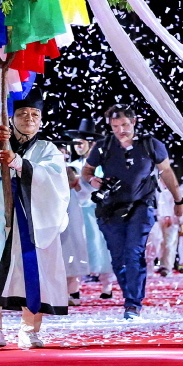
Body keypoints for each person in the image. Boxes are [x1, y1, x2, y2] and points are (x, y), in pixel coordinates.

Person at [0, 92, 70, 348]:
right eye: (22, 114)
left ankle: (29, 330)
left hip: (33, 224)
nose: (29, 118)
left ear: (41, 120)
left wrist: (20, 164)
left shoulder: (47, 149)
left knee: (33, 272)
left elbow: (56, 182)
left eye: (34, 114)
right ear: (10, 118)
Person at [81, 106, 183, 319]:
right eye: (116, 126)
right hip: (110, 209)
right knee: (118, 257)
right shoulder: (104, 146)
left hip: (142, 205)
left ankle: (133, 303)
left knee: (133, 252)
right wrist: (92, 180)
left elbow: (167, 172)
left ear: (134, 122)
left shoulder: (151, 145)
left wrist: (179, 200)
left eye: (125, 125)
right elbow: (86, 170)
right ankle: (130, 297)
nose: (121, 130)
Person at [64, 119, 115, 297]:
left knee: (101, 247)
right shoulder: (72, 166)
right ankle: (74, 287)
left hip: (96, 211)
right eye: (76, 143)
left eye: (81, 143)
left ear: (91, 144)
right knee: (76, 247)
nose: (78, 146)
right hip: (75, 214)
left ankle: (107, 285)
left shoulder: (100, 167)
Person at [60, 166, 91, 304]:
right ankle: (65, 294)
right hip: (60, 233)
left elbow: (87, 195)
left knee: (74, 260)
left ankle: (71, 293)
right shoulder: (55, 192)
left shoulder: (74, 192)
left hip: (74, 231)